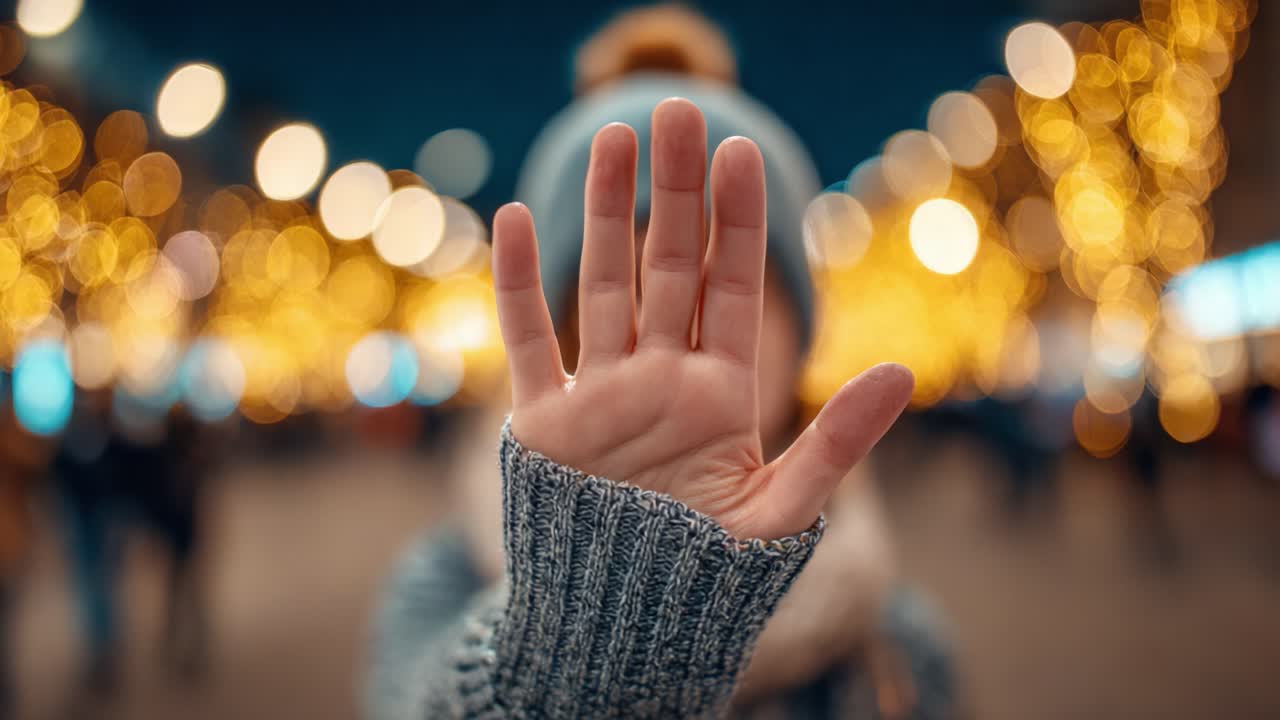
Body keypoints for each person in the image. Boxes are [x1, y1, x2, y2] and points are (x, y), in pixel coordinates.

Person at [367, 7, 954, 718]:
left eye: (734, 289)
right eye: (634, 287)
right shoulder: (441, 583)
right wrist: (583, 644)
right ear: (558, 331)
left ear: (803, 338)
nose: (684, 334)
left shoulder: (898, 648)